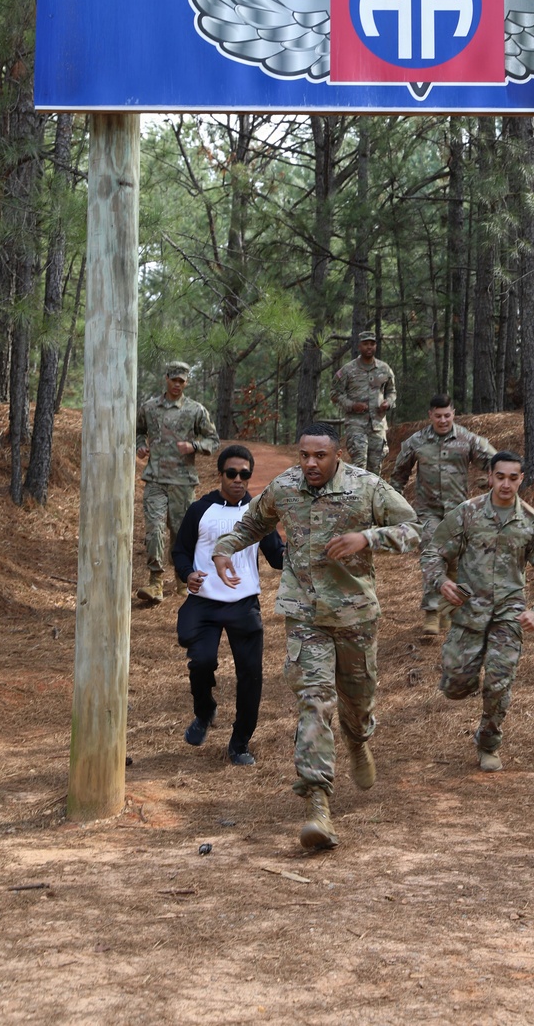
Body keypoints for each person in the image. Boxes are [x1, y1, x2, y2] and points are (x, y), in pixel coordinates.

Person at [212, 423, 419, 851]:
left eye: (319, 456)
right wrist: (224, 549)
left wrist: (367, 536)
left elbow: (413, 529)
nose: (310, 464)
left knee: (357, 703)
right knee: (315, 701)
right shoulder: (285, 486)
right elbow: (253, 524)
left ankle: (359, 739)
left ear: (336, 455)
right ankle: (318, 805)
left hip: (355, 617)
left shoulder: (366, 487)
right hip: (305, 617)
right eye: (304, 455)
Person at [422, 451, 534, 772]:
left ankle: (488, 743)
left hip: (508, 615)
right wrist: (442, 581)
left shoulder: (531, 523)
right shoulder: (467, 514)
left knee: (499, 683)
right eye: (500, 476)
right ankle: (466, 674)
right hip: (468, 609)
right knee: (456, 684)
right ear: (490, 476)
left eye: (513, 478)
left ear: (521, 479)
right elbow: (433, 551)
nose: (506, 484)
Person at [172, 445, 284, 766]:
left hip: (243, 603)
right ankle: (204, 711)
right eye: (232, 473)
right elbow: (180, 551)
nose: (239, 479)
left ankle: (239, 743)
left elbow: (277, 557)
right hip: (203, 603)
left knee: (251, 675)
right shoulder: (199, 510)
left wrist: (305, 548)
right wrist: (187, 573)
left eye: (245, 474)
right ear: (220, 474)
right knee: (201, 662)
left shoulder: (258, 513)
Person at [390, 394, 496, 638]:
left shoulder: (467, 439)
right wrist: (393, 505)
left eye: (447, 415)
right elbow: (398, 475)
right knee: (432, 555)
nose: (443, 420)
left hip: (459, 511)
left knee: (456, 561)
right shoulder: (416, 442)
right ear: (430, 415)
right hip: (427, 511)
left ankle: (449, 610)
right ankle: (431, 611)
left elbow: (496, 462)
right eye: (438, 416)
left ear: (453, 413)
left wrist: (491, 481)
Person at [135, 362, 219, 605]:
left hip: (183, 482)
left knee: (181, 533)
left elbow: (213, 441)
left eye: (181, 381)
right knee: (154, 529)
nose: (177, 384)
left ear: (187, 382)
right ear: (166, 378)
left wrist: (194, 446)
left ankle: (183, 579)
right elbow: (139, 431)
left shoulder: (196, 410)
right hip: (155, 480)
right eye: (173, 379)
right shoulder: (149, 408)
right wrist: (140, 445)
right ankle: (155, 582)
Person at [330, 331, 396, 473]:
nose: (369, 347)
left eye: (372, 344)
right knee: (360, 463)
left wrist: (388, 403)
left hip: (378, 425)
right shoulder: (348, 370)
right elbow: (335, 394)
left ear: (376, 346)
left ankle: (371, 495)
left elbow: (392, 392)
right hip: (356, 424)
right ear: (359, 346)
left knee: (375, 467)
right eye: (365, 344)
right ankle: (357, 495)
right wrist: (352, 405)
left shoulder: (384, 369)